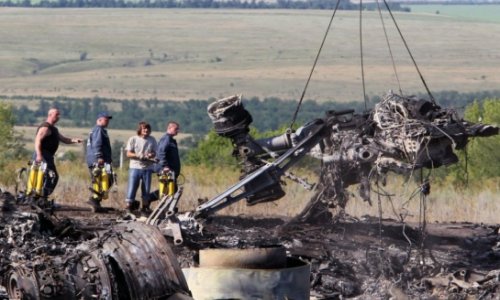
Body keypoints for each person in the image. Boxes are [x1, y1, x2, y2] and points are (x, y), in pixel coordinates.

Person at [33, 108, 83, 199]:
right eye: (57, 114)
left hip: (48, 156)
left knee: (50, 177)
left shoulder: (54, 129)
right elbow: (37, 141)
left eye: (59, 115)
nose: (59, 117)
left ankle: (41, 197)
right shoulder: (45, 127)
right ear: (50, 115)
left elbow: (64, 139)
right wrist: (39, 155)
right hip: (43, 155)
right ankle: (40, 197)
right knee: (51, 176)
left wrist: (74, 140)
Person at [125, 122, 157, 213]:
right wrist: (139, 155)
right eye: (144, 129)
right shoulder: (133, 139)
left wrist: (151, 154)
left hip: (147, 168)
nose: (146, 130)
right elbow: (128, 153)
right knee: (132, 187)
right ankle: (128, 207)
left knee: (146, 189)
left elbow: (155, 152)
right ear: (140, 130)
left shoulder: (152, 140)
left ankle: (145, 207)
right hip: (135, 167)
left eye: (148, 129)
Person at [86, 112, 113, 211]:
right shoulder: (99, 129)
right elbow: (97, 144)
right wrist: (99, 157)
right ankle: (94, 199)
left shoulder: (98, 130)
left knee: (102, 180)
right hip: (98, 160)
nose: (107, 121)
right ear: (99, 120)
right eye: (105, 119)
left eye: (108, 120)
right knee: (103, 179)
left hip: (97, 159)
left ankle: (96, 202)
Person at [154, 121, 181, 193]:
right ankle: (148, 198)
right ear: (169, 128)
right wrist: (165, 166)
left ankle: (148, 198)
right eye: (176, 129)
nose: (178, 131)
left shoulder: (170, 139)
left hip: (171, 171)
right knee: (167, 191)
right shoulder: (167, 139)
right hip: (167, 171)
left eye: (178, 129)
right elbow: (161, 153)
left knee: (172, 190)